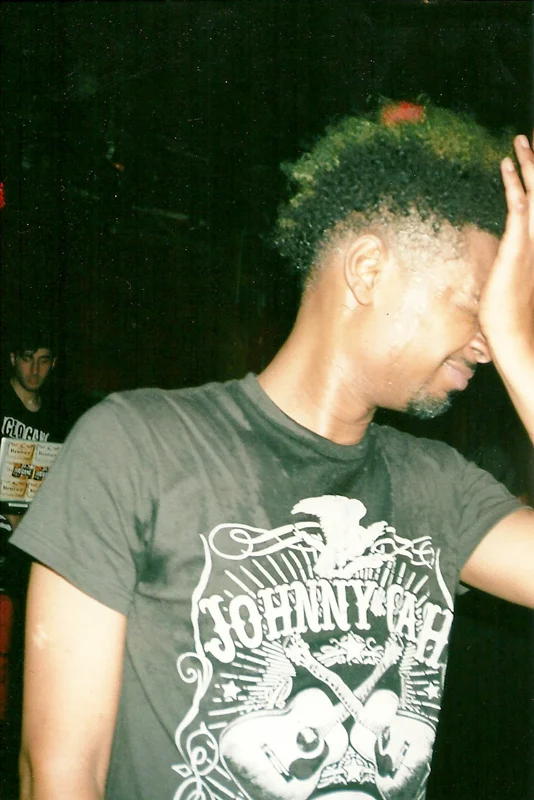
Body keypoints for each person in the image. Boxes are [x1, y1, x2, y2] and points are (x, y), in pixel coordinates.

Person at [10, 101, 534, 800]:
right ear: (370, 271)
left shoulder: (439, 486)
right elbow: (60, 773)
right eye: (478, 305)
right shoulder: (137, 445)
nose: (486, 341)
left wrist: (522, 345)